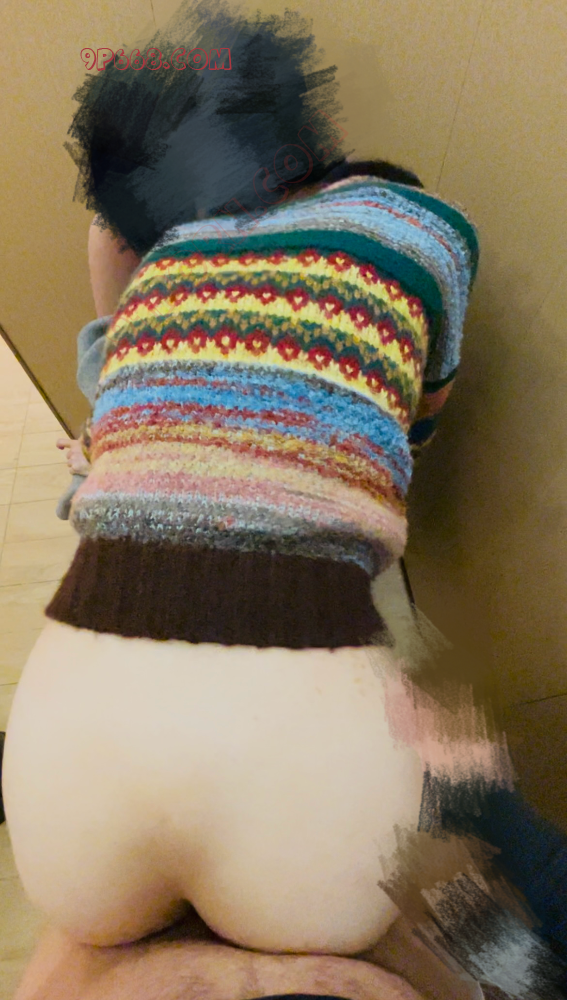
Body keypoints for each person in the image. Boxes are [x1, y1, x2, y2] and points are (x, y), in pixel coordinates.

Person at [3, 4, 525, 998]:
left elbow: (108, 263)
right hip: (310, 817)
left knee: (83, 948)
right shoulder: (430, 228)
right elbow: (422, 416)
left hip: (66, 803)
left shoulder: (172, 256)